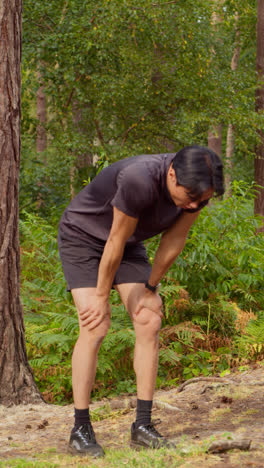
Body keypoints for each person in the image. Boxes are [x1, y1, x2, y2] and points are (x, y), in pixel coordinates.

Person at [58, 145, 224, 457]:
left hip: (127, 244)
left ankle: (143, 427)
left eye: (201, 200)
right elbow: (114, 240)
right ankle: (80, 428)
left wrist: (150, 287)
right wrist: (100, 296)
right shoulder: (139, 178)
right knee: (95, 325)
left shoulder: (198, 192)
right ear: (171, 173)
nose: (194, 204)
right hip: (83, 239)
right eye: (190, 197)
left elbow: (175, 239)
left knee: (149, 319)